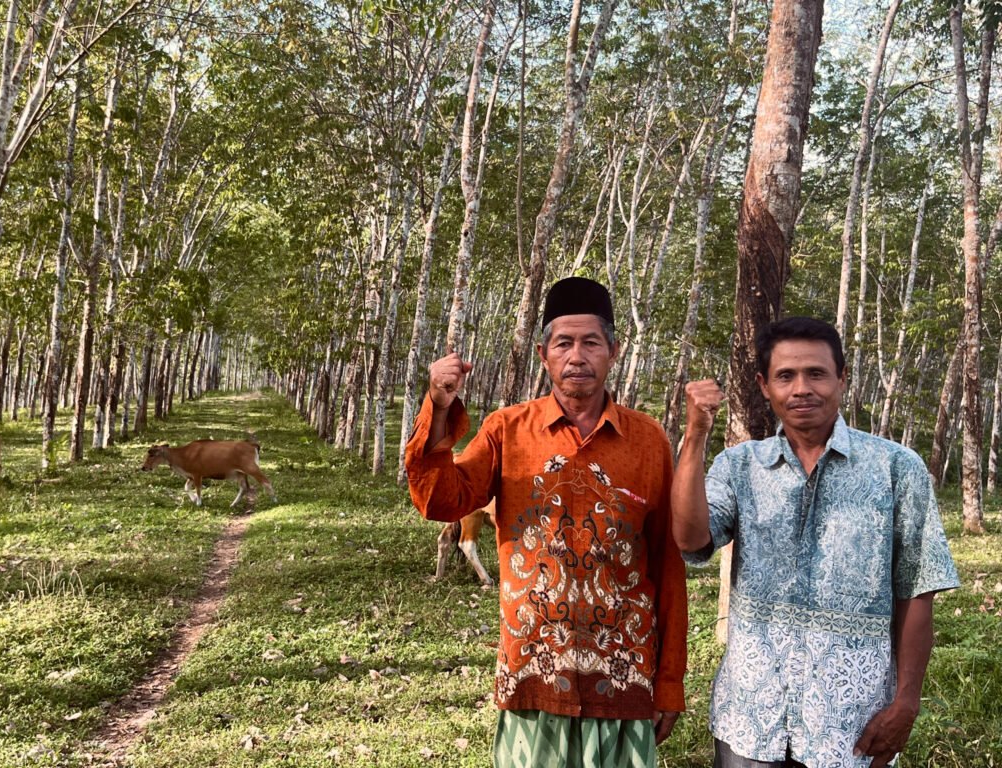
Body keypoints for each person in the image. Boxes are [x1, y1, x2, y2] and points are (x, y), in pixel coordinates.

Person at [406, 276, 688, 767]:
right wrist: (439, 404)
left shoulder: (649, 441)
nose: (576, 356)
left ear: (613, 351)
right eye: (563, 343)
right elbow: (440, 502)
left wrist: (669, 683)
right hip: (534, 679)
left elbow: (667, 566)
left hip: (623, 681)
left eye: (590, 343)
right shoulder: (506, 431)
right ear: (544, 354)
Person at [672, 316, 960, 768]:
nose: (801, 388)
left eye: (816, 373)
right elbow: (692, 539)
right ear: (764, 386)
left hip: (852, 727)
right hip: (750, 722)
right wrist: (695, 435)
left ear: (842, 380)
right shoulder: (740, 467)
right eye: (785, 376)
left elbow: (917, 590)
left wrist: (906, 703)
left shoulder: (895, 469)